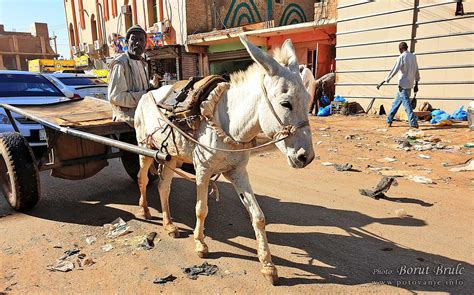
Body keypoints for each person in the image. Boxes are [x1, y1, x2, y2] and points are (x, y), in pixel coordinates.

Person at [108, 25, 150, 127]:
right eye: (134, 39)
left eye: (141, 40)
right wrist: (146, 95)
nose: (138, 43)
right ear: (127, 42)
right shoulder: (120, 63)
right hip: (126, 122)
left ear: (145, 44)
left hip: (143, 119)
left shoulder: (143, 63)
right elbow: (116, 97)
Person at [377, 42, 420, 128]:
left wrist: (384, 80)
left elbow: (394, 70)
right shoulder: (413, 57)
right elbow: (416, 71)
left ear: (400, 49)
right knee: (396, 103)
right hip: (410, 84)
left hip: (403, 85)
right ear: (407, 47)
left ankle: (413, 123)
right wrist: (416, 83)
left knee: (407, 105)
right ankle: (389, 120)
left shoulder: (401, 57)